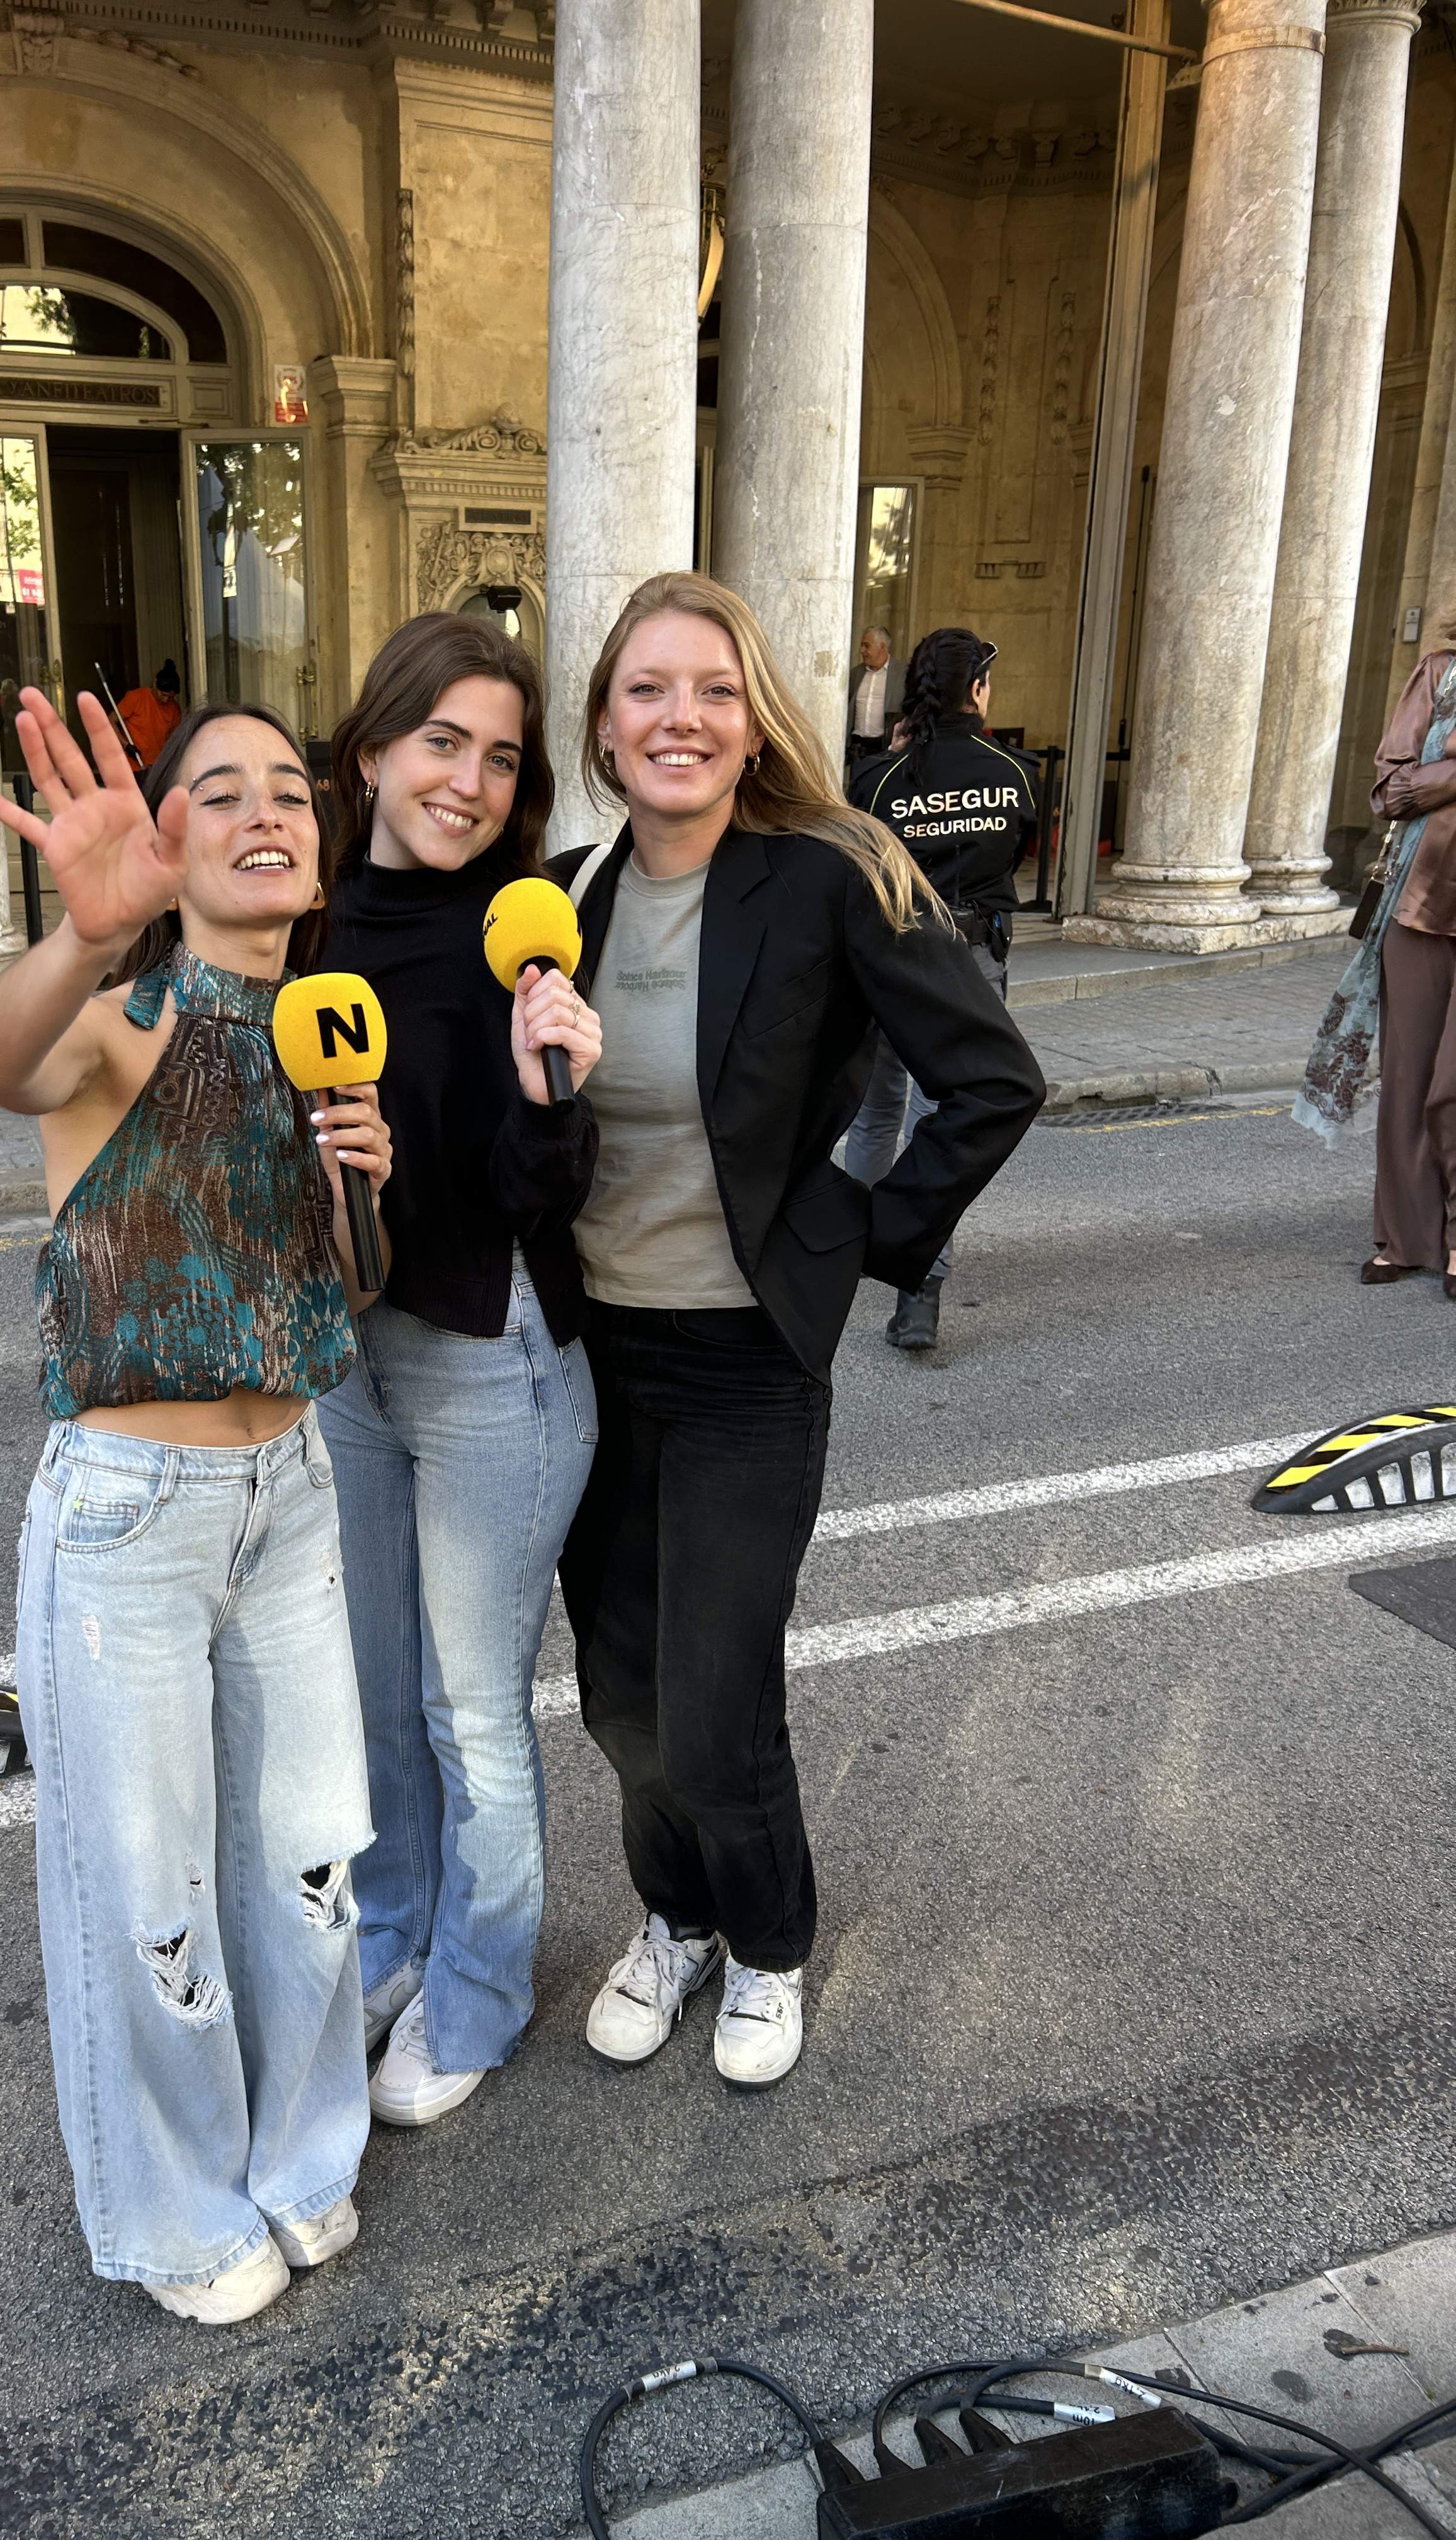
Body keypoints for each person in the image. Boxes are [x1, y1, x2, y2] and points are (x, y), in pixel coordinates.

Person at [549, 571, 1043, 2090]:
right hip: (593, 1363)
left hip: (748, 1362)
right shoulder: (567, 893)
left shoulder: (831, 873)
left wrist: (863, 1237)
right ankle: (676, 1916)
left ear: (752, 713)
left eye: (711, 687)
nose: (679, 717)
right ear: (607, 722)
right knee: (620, 1691)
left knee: (715, 1691)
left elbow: (990, 1079)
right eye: (648, 689)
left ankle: (768, 1944)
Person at [0, 685, 392, 2326]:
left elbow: (341, 1291)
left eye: (290, 786)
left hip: (292, 1496)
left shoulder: (327, 1026)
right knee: (150, 1894)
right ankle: (175, 2206)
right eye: (219, 791)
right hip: (129, 1521)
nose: (267, 808)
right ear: (164, 839)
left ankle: (303, 2154)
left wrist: (368, 1171)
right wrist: (81, 939)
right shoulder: (122, 1018)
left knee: (307, 1864)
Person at [317, 613, 604, 2127]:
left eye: (501, 755)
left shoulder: (532, 922)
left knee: (465, 1709)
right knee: (373, 1700)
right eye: (443, 741)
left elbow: (532, 1191)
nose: (472, 779)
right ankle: (396, 1937)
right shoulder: (308, 917)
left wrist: (553, 1089)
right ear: (373, 749)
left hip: (497, 1365)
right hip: (346, 1365)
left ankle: (480, 1995)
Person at [843, 627, 1040, 1350]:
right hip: (969, 960)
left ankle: (847, 1248)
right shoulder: (1015, 772)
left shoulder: (876, 781)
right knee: (946, 1123)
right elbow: (1016, 851)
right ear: (978, 691)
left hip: (887, 960)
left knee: (873, 1115)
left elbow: (854, 865)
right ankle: (919, 1290)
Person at [1295, 635, 1456, 1281]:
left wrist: (1437, 777)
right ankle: (1407, 1236)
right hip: (1418, 904)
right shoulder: (1441, 673)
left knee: (1453, 1084)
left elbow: (1420, 784)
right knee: (1409, 1080)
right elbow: (1391, 791)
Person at [846, 626, 903, 764]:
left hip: (884, 747)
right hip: (857, 747)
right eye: (862, 646)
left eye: (867, 646)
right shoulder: (856, 674)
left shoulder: (902, 673)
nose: (862, 651)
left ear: (882, 646)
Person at [116, 658, 183, 769]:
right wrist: (126, 745)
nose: (166, 700)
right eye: (163, 695)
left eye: (170, 697)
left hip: (157, 767)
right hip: (132, 766)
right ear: (155, 684)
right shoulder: (136, 698)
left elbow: (174, 741)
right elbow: (110, 721)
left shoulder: (174, 709)